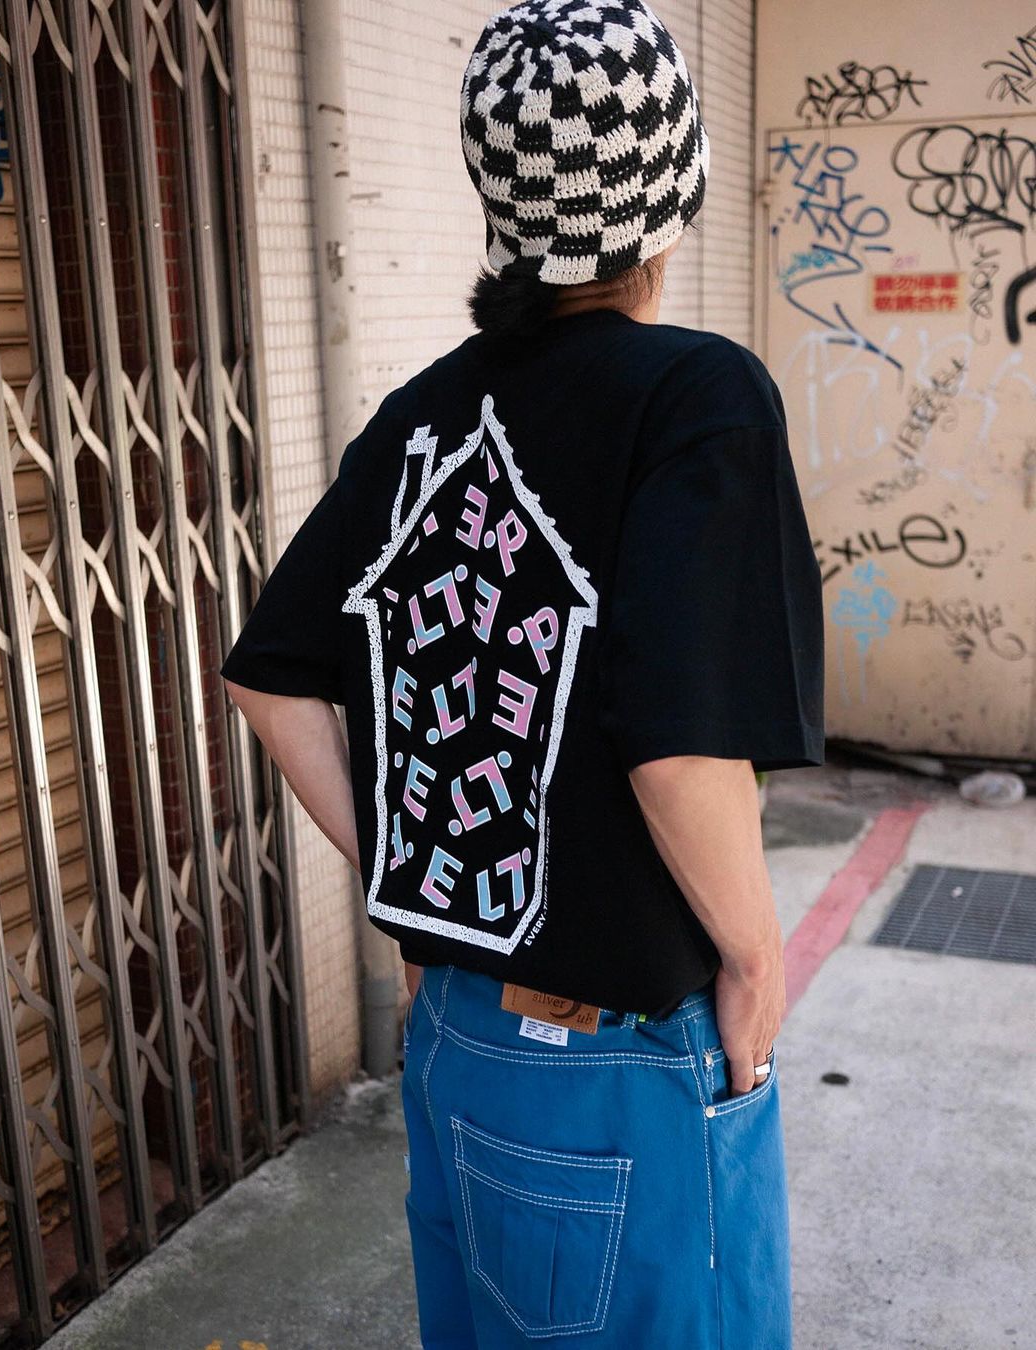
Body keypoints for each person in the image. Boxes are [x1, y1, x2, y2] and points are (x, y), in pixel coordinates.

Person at [220, 1, 825, 1345]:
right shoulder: (697, 395)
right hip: (614, 1068)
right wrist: (757, 947)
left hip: (459, 1045)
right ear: (670, 200)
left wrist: (429, 882)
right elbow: (677, 747)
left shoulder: (424, 412)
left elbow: (271, 678)